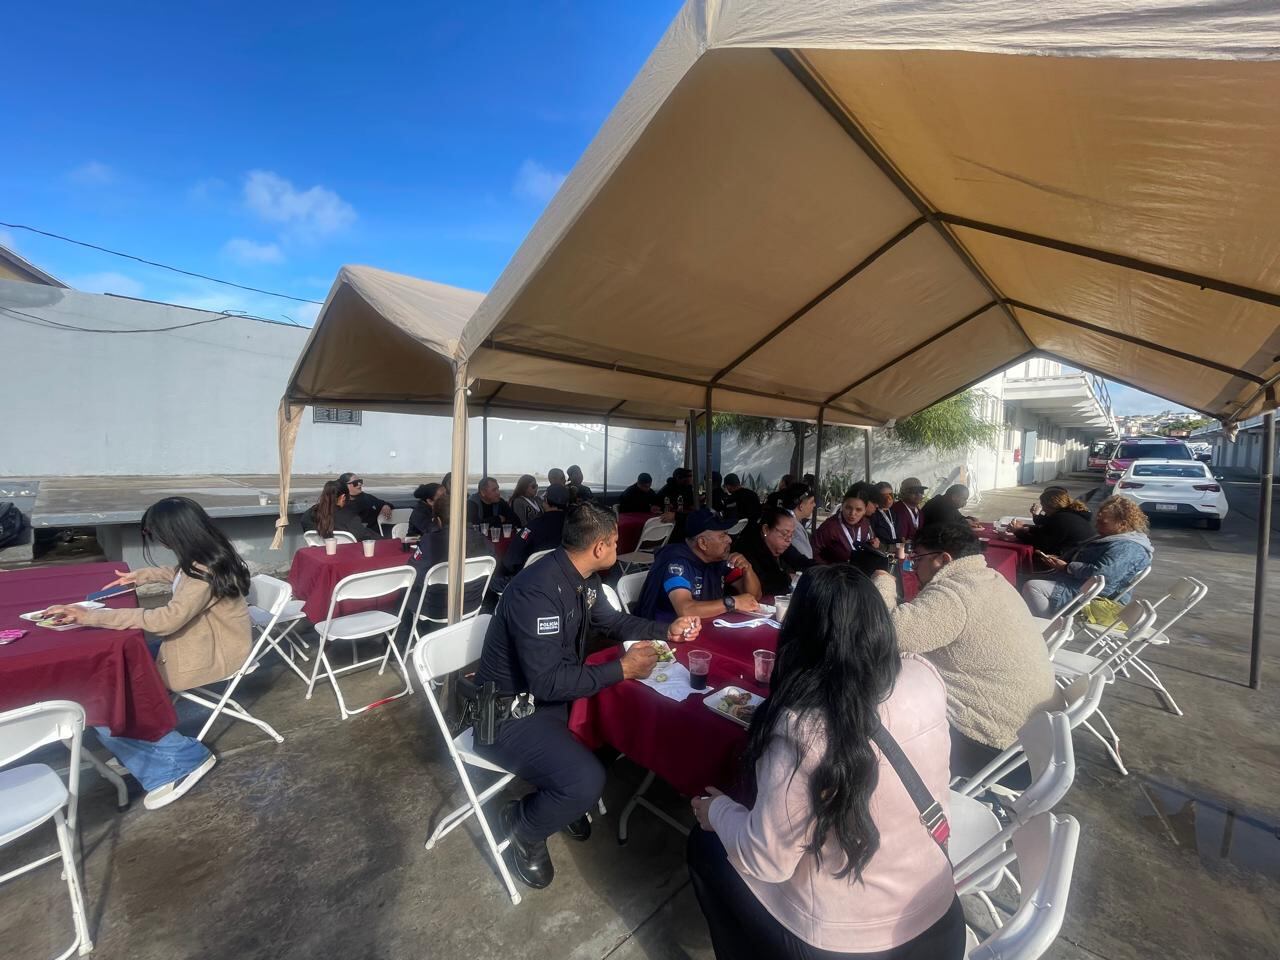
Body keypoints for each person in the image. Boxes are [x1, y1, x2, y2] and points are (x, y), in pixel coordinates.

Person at [688, 565, 963, 960]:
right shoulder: (924, 675)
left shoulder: (801, 725)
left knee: (704, 845)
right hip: (940, 915)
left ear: (798, 631)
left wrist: (717, 811)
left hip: (847, 941)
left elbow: (767, 863)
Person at [474, 503, 703, 889]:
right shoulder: (537, 592)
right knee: (585, 780)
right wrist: (624, 668)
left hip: (544, 702)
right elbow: (547, 682)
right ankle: (523, 825)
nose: (618, 547)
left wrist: (667, 630)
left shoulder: (581, 577)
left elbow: (612, 622)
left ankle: (560, 798)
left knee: (617, 729)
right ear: (599, 547)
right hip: (502, 714)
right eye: (615, 542)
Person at [43, 498, 249, 810]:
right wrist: (143, 576)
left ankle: (180, 760)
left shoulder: (202, 571)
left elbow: (165, 621)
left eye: (154, 531)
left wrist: (91, 617)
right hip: (205, 642)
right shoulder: (207, 556)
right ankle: (142, 751)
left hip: (211, 654)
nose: (154, 537)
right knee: (112, 673)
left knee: (107, 700)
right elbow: (178, 574)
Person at [871, 523, 1059, 785]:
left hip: (998, 752)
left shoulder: (955, 594)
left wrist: (883, 581)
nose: (913, 567)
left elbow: (888, 634)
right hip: (1035, 742)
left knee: (879, 715)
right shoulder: (988, 579)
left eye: (917, 559)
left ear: (943, 559)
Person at [1022, 495, 1154, 617]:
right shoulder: (1113, 538)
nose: (1096, 526)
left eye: (1103, 523)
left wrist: (1068, 567)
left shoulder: (1128, 547)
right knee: (1021, 579)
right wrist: (1061, 560)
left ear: (1123, 524)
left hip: (1096, 599)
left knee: (1033, 587)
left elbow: (1103, 575)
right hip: (1081, 587)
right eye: (1097, 521)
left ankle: (1043, 630)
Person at [635, 509, 761, 620]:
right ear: (702, 543)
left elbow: (753, 598)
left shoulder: (717, 561)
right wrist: (732, 602)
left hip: (706, 628)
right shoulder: (677, 563)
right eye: (723, 535)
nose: (729, 540)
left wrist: (748, 570)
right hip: (668, 635)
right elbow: (685, 610)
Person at [403, 493, 496, 629]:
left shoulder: (430, 541)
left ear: (438, 520)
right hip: (472, 603)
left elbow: (413, 574)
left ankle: (402, 642)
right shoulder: (483, 540)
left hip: (437, 608)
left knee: (403, 594)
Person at [498, 483, 572, 588]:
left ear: (546, 501)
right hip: (563, 576)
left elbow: (511, 560)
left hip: (531, 580)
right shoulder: (574, 525)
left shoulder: (533, 526)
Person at [735, 506, 813, 598]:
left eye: (791, 535)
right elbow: (764, 583)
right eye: (784, 533)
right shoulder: (749, 549)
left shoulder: (782, 544)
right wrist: (789, 578)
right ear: (766, 530)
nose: (788, 540)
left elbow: (801, 561)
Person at [1007, 487, 1093, 557]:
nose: (1043, 509)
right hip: (1077, 554)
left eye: (1043, 505)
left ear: (1051, 505)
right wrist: (1028, 529)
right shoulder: (1069, 514)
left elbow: (1041, 544)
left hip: (1067, 560)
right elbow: (1049, 530)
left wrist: (1018, 532)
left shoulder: (1061, 518)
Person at [812, 486, 879, 564]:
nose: (852, 514)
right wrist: (829, 570)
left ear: (865, 510)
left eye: (858, 510)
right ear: (842, 506)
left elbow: (866, 545)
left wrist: (873, 546)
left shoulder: (865, 524)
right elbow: (813, 553)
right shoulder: (829, 527)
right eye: (848, 508)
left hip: (859, 572)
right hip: (835, 573)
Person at [306, 480, 376, 542]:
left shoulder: (311, 513)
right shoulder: (350, 517)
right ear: (343, 497)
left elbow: (305, 523)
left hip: (323, 553)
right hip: (347, 554)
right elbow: (364, 538)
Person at [777, 483, 816, 560]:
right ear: (801, 506)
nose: (814, 505)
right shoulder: (793, 529)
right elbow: (806, 557)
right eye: (811, 502)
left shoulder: (789, 522)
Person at [891, 478, 927, 544]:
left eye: (921, 491)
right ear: (904, 493)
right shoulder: (896, 510)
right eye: (914, 491)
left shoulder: (919, 512)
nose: (918, 494)